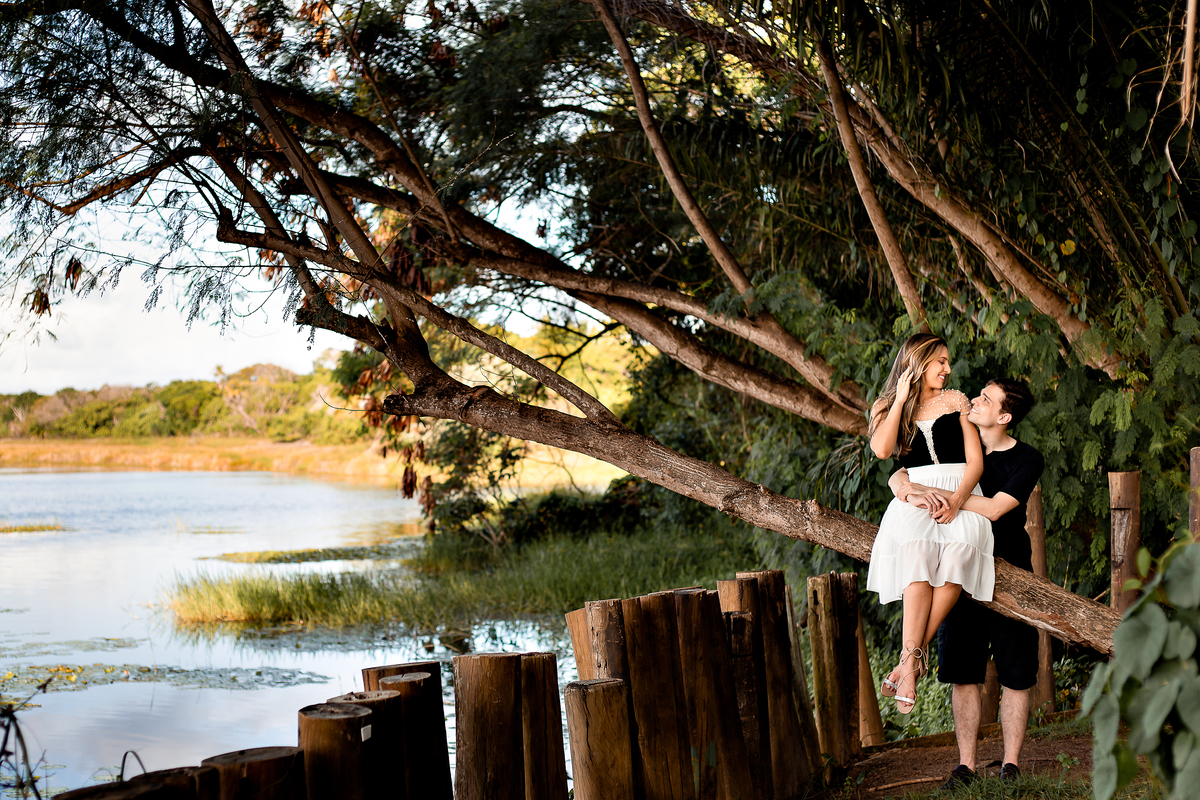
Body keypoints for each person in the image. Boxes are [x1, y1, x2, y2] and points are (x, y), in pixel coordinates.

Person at [889, 378, 1044, 787]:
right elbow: (900, 467)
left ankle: (1010, 765)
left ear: (1004, 417)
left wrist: (937, 494)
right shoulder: (956, 441)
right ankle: (966, 767)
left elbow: (995, 509)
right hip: (954, 573)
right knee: (963, 672)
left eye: (985, 400)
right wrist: (907, 486)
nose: (973, 400)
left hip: (1010, 572)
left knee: (1016, 673)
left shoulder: (1027, 459)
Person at [865, 333, 993, 715]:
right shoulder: (886, 406)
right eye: (940, 361)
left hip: (962, 493)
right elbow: (883, 451)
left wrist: (957, 501)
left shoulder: (956, 401)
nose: (948, 369)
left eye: (947, 361)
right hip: (918, 496)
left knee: (957, 559)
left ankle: (908, 663)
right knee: (918, 551)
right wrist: (901, 399)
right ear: (918, 363)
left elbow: (976, 462)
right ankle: (913, 659)